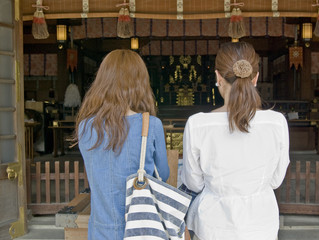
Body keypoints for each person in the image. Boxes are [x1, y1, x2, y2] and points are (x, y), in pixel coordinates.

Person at [181, 42, 290, 240]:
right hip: (262, 225)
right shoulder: (277, 123)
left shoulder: (197, 125)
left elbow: (193, 184)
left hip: (214, 226)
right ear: (255, 78)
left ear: (218, 77)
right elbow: (275, 181)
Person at [74, 49, 170, 240]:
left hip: (100, 228)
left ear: (102, 80)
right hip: (141, 229)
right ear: (140, 82)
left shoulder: (84, 127)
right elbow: (163, 175)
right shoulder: (151, 125)